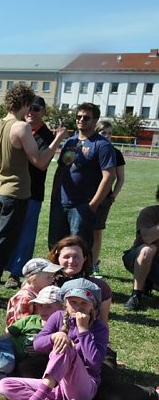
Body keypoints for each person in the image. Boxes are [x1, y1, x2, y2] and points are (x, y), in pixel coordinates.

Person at [0, 97, 62, 287]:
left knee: (24, 235)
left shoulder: (45, 135)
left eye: (36, 109)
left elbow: (40, 163)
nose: (31, 112)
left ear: (43, 112)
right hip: (7, 189)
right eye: (29, 108)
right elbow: (5, 159)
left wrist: (57, 140)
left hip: (32, 191)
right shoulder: (15, 127)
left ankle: (15, 273)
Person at [0, 85, 65, 308]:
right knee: (2, 245)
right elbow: (40, 162)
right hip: (15, 193)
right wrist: (57, 140)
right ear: (25, 104)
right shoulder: (22, 127)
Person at [0, 278, 108, 400]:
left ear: (92, 307)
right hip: (55, 385)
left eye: (84, 303)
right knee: (5, 385)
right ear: (65, 303)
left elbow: (94, 363)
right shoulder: (58, 317)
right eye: (73, 302)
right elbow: (37, 344)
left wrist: (83, 330)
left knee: (65, 346)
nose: (78, 307)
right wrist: (54, 336)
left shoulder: (99, 328)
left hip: (83, 388)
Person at [47, 102, 116, 252]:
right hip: (61, 204)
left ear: (95, 120)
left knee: (79, 250)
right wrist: (54, 198)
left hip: (82, 206)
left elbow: (109, 176)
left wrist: (93, 205)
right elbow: (61, 170)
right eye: (78, 117)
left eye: (86, 118)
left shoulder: (102, 145)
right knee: (55, 247)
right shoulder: (70, 142)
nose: (81, 120)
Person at [91, 119, 125, 275]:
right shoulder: (91, 148)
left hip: (104, 199)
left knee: (96, 232)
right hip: (84, 195)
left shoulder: (115, 153)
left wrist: (113, 196)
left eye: (109, 133)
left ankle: (93, 264)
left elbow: (120, 178)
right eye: (103, 132)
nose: (107, 136)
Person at [122, 184, 159, 311]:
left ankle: (149, 282)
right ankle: (136, 295)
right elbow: (147, 238)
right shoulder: (150, 213)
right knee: (148, 249)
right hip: (138, 258)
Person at [4, 257, 61, 328]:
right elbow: (24, 325)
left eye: (53, 276)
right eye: (49, 277)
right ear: (34, 278)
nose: (52, 280)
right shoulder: (24, 298)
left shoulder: (40, 291)